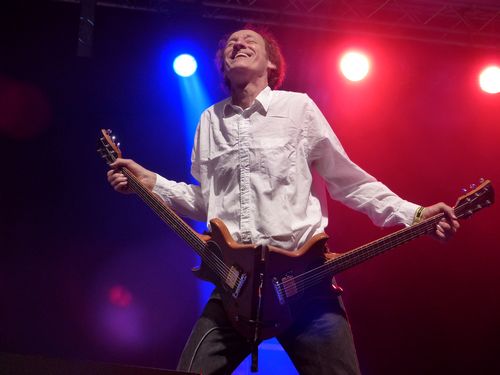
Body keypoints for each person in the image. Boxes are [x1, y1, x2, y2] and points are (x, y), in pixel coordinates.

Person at [107, 26, 459, 375]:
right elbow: (207, 202)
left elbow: (347, 181)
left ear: (272, 64)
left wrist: (412, 214)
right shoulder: (209, 120)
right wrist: (151, 182)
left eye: (249, 41)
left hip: (304, 283)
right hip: (235, 285)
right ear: (223, 66)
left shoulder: (298, 108)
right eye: (231, 42)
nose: (238, 43)